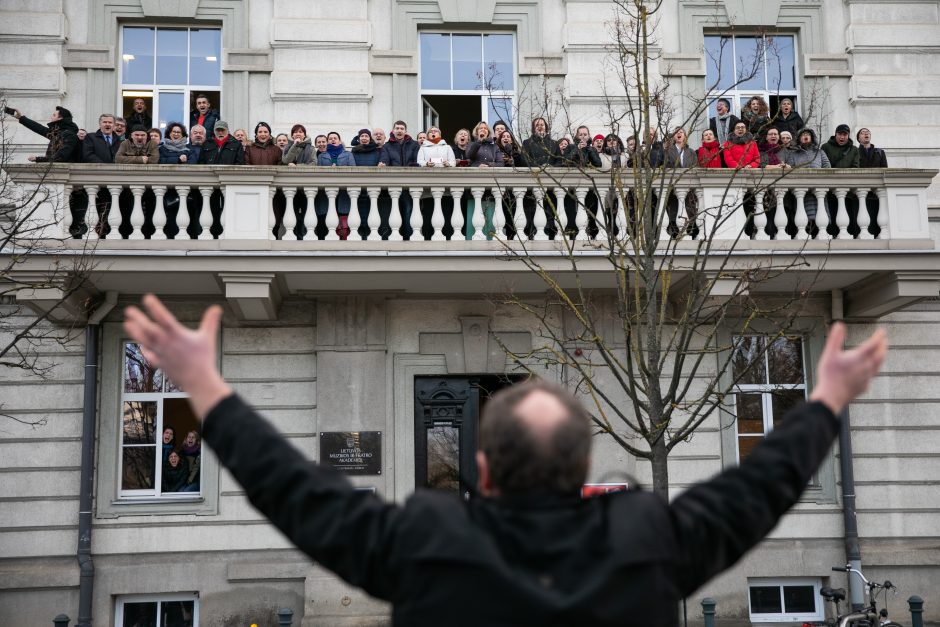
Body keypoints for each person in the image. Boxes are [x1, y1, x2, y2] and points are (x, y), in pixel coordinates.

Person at [123, 294, 888, 627]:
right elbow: (759, 486)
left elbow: (297, 492)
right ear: (584, 463)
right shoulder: (647, 539)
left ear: (482, 472)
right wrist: (822, 403)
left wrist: (205, 388)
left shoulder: (428, 541)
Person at [317, 131, 356, 239]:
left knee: (343, 219)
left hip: (344, 192)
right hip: (325, 192)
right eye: (330, 138)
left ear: (339, 141)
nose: (333, 140)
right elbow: (317, 174)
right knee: (325, 219)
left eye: (335, 138)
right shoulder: (322, 155)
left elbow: (354, 171)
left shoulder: (348, 154)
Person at [10, 105, 81, 163]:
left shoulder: (69, 135)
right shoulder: (57, 133)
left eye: (54, 115)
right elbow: (39, 128)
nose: (51, 117)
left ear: (60, 118)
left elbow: (61, 157)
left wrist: (38, 159)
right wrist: (20, 117)